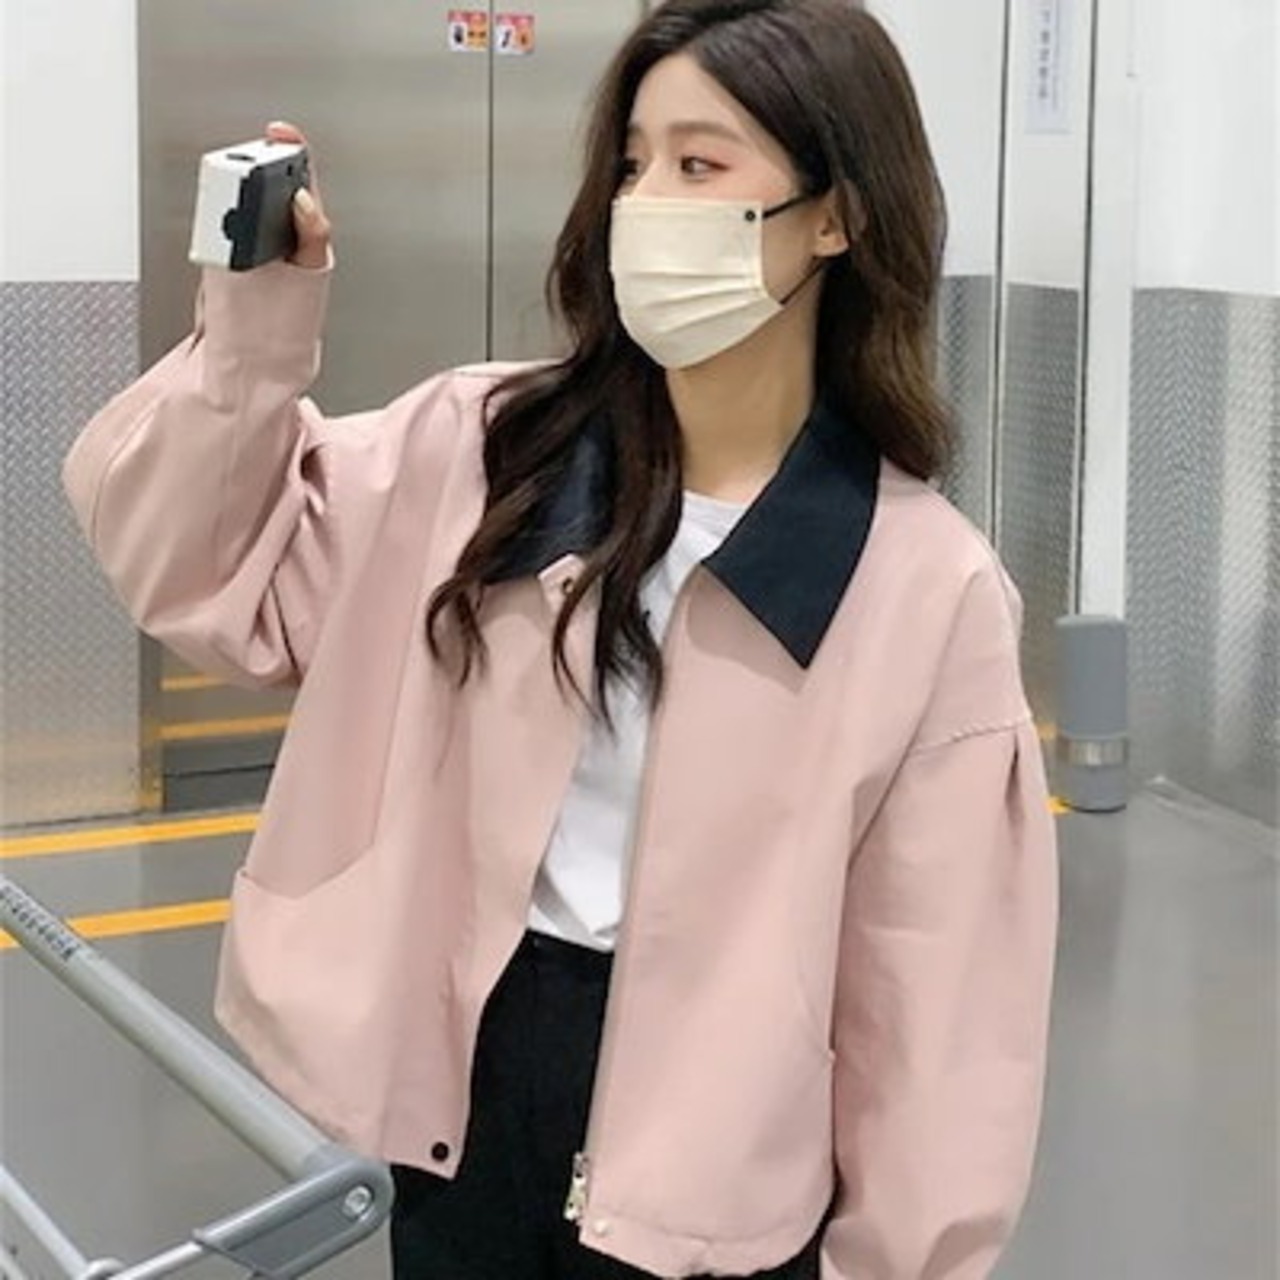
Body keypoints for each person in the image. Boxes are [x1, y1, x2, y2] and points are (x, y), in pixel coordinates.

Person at [64, 1, 1059, 1276]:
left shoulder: (920, 583)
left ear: (834, 215)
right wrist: (251, 334)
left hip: (721, 1148)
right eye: (632, 164)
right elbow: (192, 565)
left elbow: (937, 1009)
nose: (646, 205)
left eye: (699, 164)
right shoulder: (484, 454)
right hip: (471, 1084)